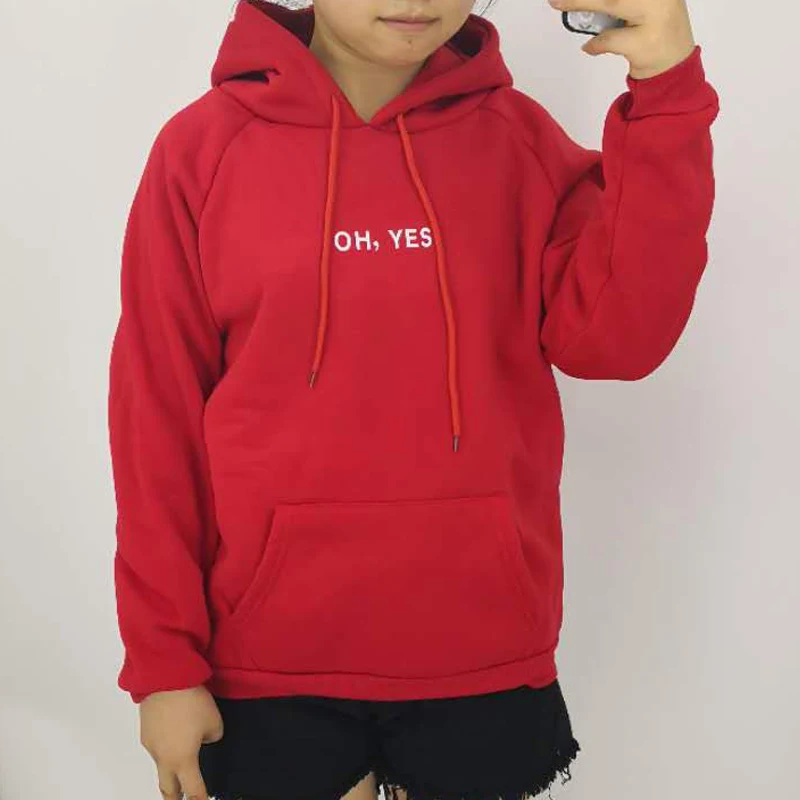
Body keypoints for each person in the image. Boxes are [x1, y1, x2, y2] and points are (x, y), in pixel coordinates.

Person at [106, 1, 719, 799]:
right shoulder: (204, 150)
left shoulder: (519, 144)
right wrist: (164, 662)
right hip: (267, 656)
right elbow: (155, 421)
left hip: (480, 643)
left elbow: (617, 341)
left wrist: (666, 93)